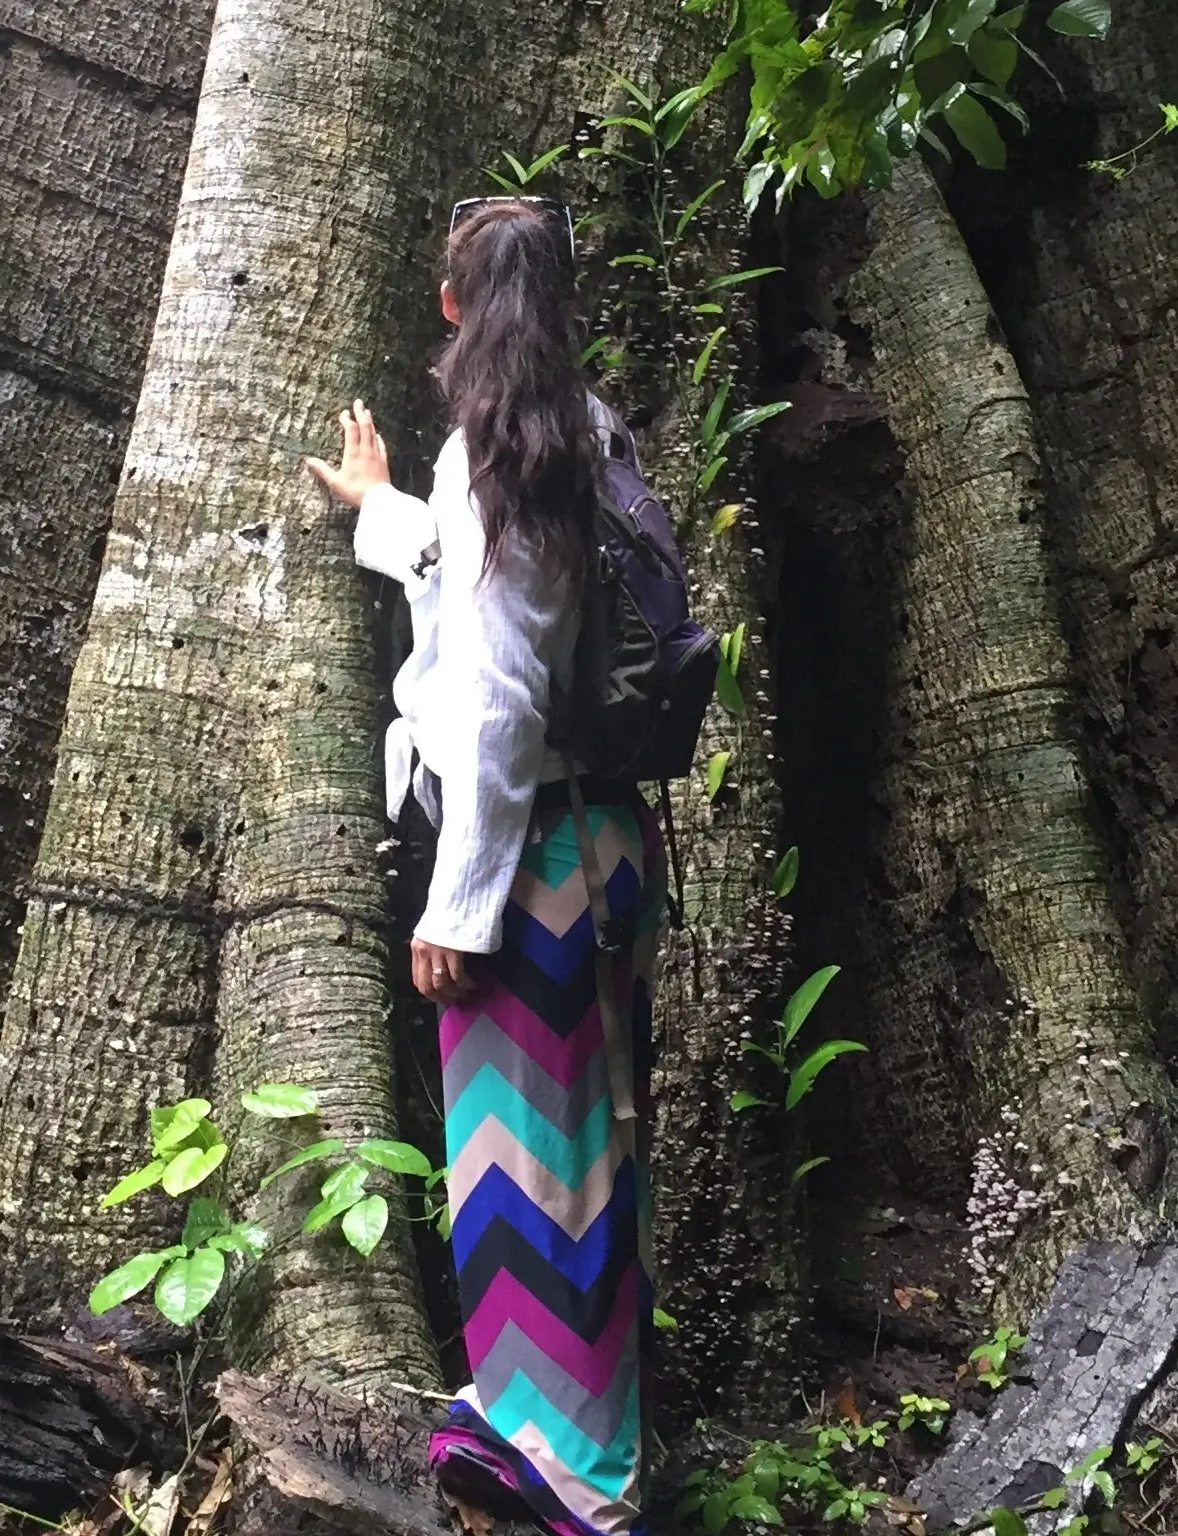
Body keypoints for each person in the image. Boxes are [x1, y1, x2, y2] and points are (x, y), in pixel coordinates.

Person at [303, 197, 662, 1536]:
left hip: (533, 859)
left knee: (532, 1171)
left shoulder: (494, 451)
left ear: (453, 306)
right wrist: (380, 504)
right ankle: (559, 1439)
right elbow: (486, 589)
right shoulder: (581, 433)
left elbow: (499, 690)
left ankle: (580, 1476)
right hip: (605, 842)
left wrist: (461, 903)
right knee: (585, 1157)